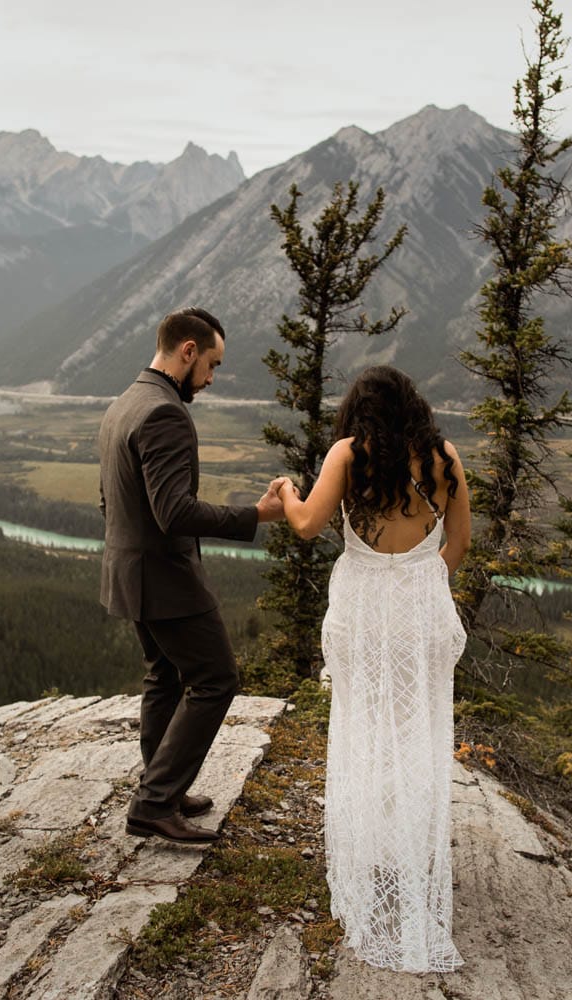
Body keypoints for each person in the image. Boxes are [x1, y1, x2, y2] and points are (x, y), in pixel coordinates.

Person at [274, 365, 471, 972]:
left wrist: (284, 491)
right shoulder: (444, 459)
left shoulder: (348, 455)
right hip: (420, 612)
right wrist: (416, 579)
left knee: (362, 728)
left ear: (359, 411)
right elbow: (458, 546)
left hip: (364, 614)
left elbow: (307, 525)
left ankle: (368, 855)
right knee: (415, 732)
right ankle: (408, 851)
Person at [98, 306, 286, 845]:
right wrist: (256, 514)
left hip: (127, 571)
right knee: (216, 679)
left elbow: (110, 498)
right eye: (212, 365)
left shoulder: (123, 403)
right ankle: (155, 802)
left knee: (163, 676)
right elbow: (174, 513)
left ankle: (163, 789)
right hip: (166, 578)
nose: (210, 379)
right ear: (187, 351)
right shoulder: (165, 413)